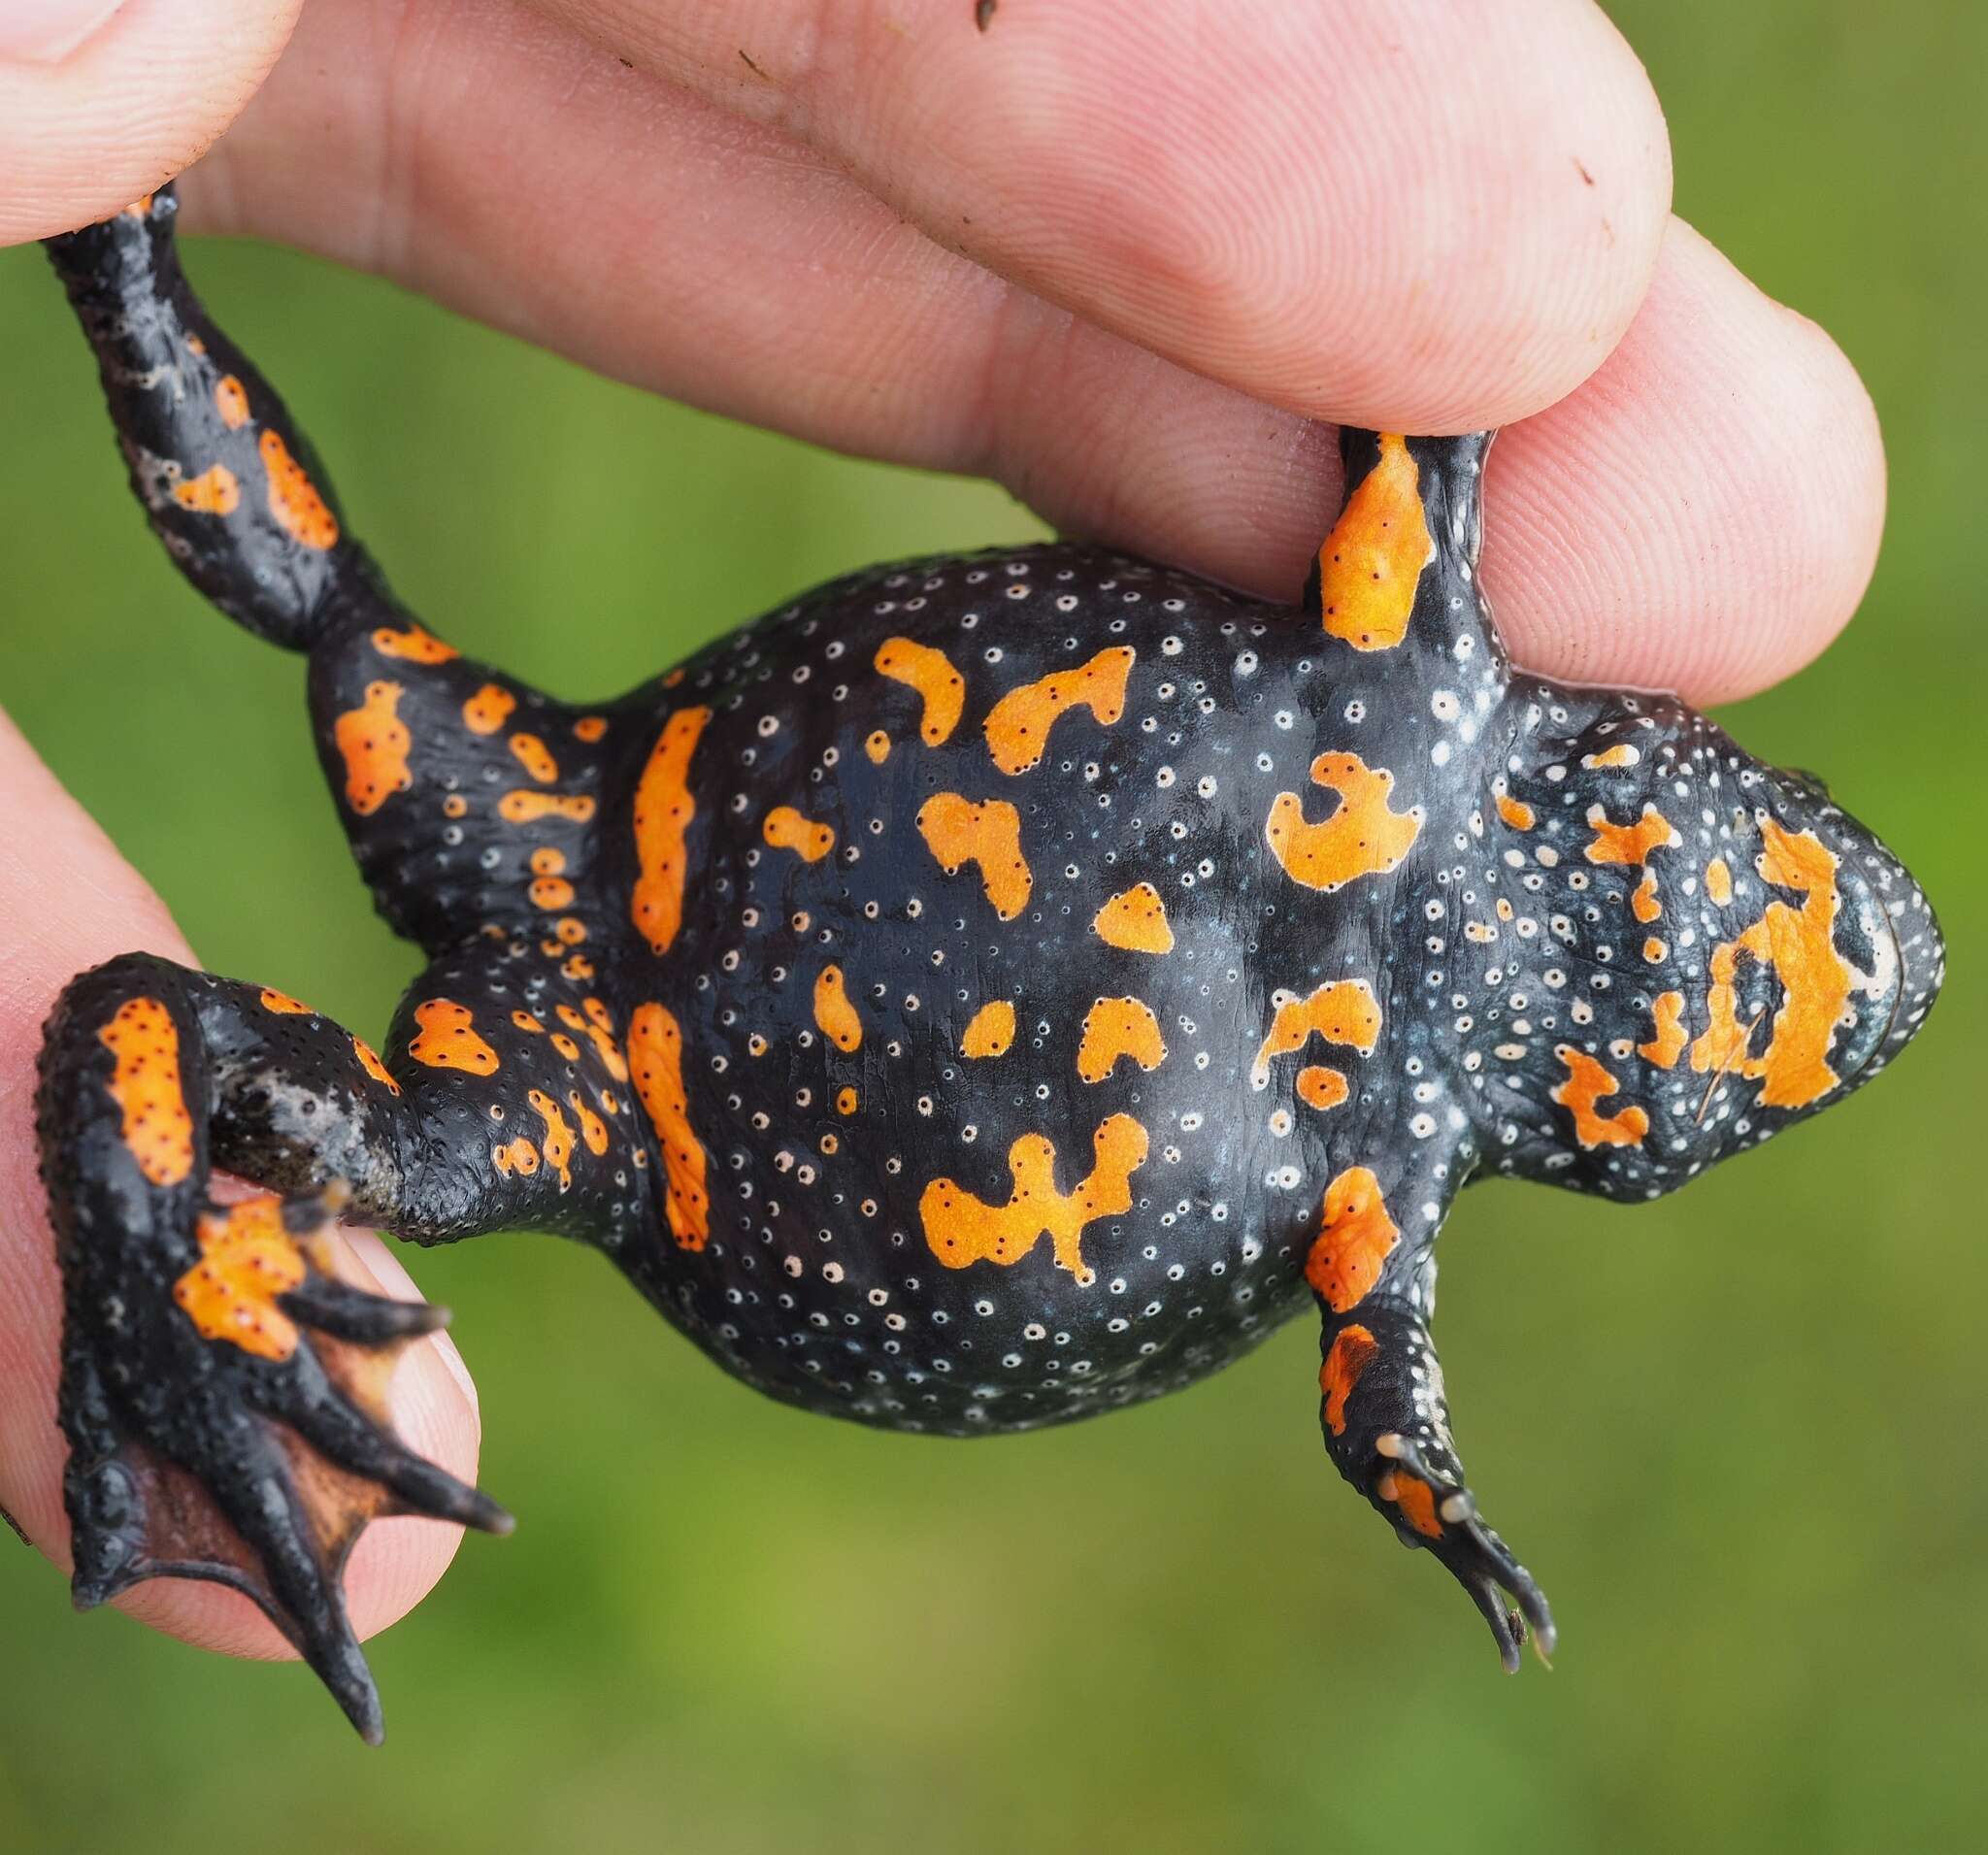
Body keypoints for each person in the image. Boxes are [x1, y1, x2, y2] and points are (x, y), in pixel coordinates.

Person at [0, 0, 1884, 1673]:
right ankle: (111, 219)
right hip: (617, 839)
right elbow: (1422, 360)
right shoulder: (1412, 711)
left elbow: (1420, 419)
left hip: (628, 1064)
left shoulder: (1408, 756)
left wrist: (1428, 1489)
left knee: (349, 739)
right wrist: (1430, 1497)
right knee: (345, 680)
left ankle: (156, 1094)